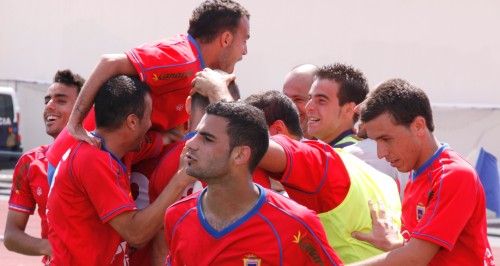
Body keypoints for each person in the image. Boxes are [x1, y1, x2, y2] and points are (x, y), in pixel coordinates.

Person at [46, 0, 250, 181]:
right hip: (78, 160)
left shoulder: (196, 68)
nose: (245, 51)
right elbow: (109, 62)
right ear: (225, 39)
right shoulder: (183, 58)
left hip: (102, 162)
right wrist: (74, 123)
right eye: (245, 40)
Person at [164, 101, 342, 265]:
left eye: (207, 139)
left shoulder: (296, 224)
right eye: (196, 134)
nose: (190, 144)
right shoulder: (177, 215)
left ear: (241, 154)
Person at [46, 76, 191, 265]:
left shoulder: (115, 150)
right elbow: (136, 234)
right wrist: (181, 178)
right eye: (148, 116)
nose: (150, 125)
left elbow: (163, 139)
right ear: (132, 122)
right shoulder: (92, 160)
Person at [243, 90, 401, 263]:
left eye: (322, 100)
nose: (310, 107)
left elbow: (240, 143)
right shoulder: (362, 169)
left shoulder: (318, 165)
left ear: (278, 131)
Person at [352, 78, 494, 265]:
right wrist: (396, 244)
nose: (381, 153)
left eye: (386, 139)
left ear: (418, 126)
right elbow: (426, 252)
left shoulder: (454, 175)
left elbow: (414, 259)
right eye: (375, 141)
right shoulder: (416, 173)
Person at [4, 70, 84, 263]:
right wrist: (50, 246)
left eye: (60, 100)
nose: (49, 106)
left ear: (83, 109)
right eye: (47, 100)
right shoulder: (30, 162)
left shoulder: (104, 156)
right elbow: (11, 235)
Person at [305, 63, 368, 148]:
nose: (308, 107)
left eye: (321, 100)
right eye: (309, 98)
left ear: (349, 110)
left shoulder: (350, 154)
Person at [282, 64, 318, 139]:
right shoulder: (269, 143)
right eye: (285, 98)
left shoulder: (335, 148)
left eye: (298, 99)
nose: (289, 107)